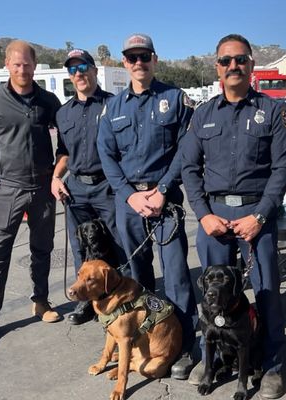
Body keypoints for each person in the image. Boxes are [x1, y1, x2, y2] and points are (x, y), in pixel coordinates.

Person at [181, 34, 286, 398]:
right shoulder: (203, 114)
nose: (234, 66)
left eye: (240, 60)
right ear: (217, 66)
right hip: (213, 216)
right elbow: (189, 168)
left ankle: (274, 365)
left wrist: (260, 216)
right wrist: (202, 215)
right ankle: (210, 359)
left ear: (250, 65)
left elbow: (283, 168)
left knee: (265, 293)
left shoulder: (273, 112)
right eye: (226, 61)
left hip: (255, 214)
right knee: (213, 295)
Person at [97, 33, 198, 380]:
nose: (138, 62)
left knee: (176, 277)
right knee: (136, 280)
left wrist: (163, 190)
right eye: (132, 57)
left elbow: (186, 151)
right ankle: (144, 339)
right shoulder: (113, 107)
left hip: (165, 202)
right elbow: (107, 156)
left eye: (144, 56)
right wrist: (129, 195)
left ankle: (184, 346)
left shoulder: (175, 98)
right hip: (129, 203)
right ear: (124, 63)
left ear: (154, 59)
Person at [0, 40, 62, 343]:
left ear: (35, 65)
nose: (22, 69)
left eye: (27, 64)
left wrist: (58, 175)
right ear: (7, 64)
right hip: (7, 189)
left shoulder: (48, 101)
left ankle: (41, 301)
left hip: (43, 187)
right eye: (16, 64)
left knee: (42, 249)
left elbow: (67, 142)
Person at [51, 49, 128, 325]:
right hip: (76, 191)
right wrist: (55, 177)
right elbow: (63, 153)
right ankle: (85, 302)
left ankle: (125, 299)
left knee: (119, 244)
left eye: (83, 66)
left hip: (108, 187)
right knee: (80, 248)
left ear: (95, 70)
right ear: (69, 76)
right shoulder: (63, 113)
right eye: (72, 69)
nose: (78, 73)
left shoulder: (115, 104)